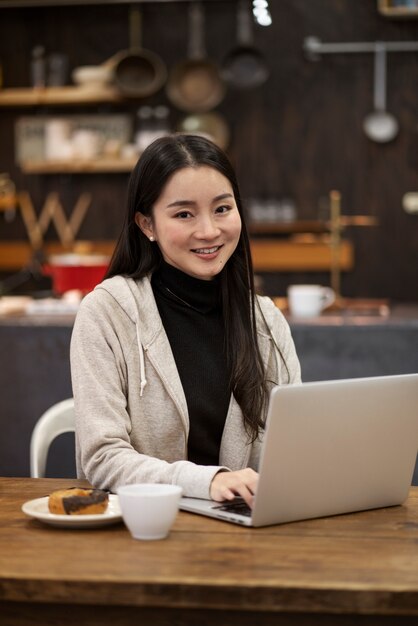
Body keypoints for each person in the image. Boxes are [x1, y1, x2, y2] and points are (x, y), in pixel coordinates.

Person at [70, 134, 301, 509]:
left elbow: (294, 446)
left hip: (248, 537)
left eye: (222, 209)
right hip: (144, 531)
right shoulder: (106, 313)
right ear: (147, 225)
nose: (209, 231)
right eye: (183, 214)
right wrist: (209, 480)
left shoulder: (266, 321)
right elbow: (101, 458)